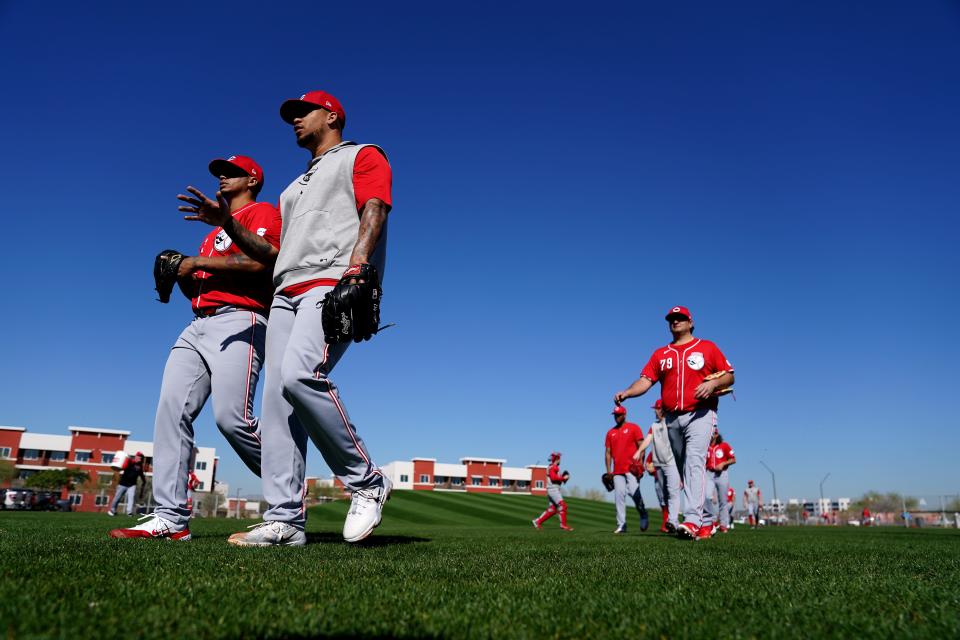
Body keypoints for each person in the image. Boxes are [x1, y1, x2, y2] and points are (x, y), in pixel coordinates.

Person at [181, 91, 394, 546]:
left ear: (331, 115)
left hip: (332, 282)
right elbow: (272, 254)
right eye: (291, 115)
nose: (295, 120)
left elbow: (374, 209)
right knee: (276, 404)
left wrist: (357, 268)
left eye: (303, 112)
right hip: (284, 294)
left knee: (300, 376)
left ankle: (367, 481)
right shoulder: (292, 188)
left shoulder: (362, 155)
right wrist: (228, 224)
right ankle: (285, 522)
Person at [110, 155, 280, 541]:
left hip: (242, 319)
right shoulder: (210, 233)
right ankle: (170, 518)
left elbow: (261, 265)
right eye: (220, 172)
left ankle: (286, 483)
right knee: (170, 410)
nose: (222, 176)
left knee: (231, 418)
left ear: (252, 178)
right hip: (198, 324)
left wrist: (194, 262)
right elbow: (202, 282)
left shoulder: (263, 211)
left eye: (231, 171)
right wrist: (179, 275)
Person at [614, 305, 735, 540]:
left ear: (690, 323)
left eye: (680, 318)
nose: (675, 321)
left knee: (694, 463)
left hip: (701, 413)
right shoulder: (661, 354)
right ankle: (707, 521)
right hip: (672, 417)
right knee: (684, 469)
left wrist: (712, 385)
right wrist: (628, 392)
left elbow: (729, 375)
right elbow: (645, 381)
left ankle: (691, 520)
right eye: (672, 318)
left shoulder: (707, 348)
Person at [639, 399, 681, 533]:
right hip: (660, 469)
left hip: (672, 464)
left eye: (657, 408)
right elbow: (650, 458)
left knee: (671, 493)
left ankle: (674, 521)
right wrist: (647, 466)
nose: (655, 411)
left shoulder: (673, 424)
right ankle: (667, 522)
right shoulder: (654, 427)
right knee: (663, 495)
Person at [605, 406, 648, 534]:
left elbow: (642, 447)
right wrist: (609, 471)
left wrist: (641, 464)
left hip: (632, 469)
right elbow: (608, 453)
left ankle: (643, 515)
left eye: (618, 415)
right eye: (615, 415)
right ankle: (621, 525)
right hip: (617, 470)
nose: (616, 417)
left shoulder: (634, 427)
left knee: (635, 494)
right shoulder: (610, 432)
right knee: (619, 496)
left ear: (624, 414)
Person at [532, 452, 573, 531]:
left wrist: (564, 479)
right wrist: (563, 478)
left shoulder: (552, 467)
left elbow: (556, 479)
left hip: (552, 489)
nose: (560, 460)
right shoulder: (553, 467)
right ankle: (563, 525)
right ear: (557, 459)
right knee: (563, 506)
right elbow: (554, 478)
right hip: (553, 489)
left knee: (553, 509)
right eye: (559, 458)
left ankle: (537, 521)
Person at [706, 428, 736, 533]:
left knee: (723, 501)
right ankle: (712, 521)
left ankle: (724, 524)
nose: (711, 435)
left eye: (713, 433)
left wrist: (723, 463)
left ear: (716, 434)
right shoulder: (705, 447)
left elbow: (733, 459)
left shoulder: (724, 445)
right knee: (707, 497)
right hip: (709, 473)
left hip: (722, 474)